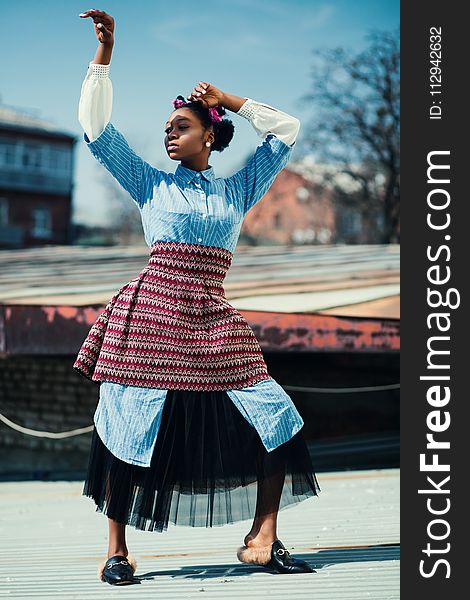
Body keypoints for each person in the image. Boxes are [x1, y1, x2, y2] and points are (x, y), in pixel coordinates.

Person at [74, 8, 320, 586]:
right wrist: (103, 58)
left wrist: (228, 99)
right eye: (167, 128)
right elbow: (95, 128)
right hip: (152, 315)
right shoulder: (148, 182)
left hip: (212, 315)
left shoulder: (239, 187)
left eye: (181, 126)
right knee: (125, 427)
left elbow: (287, 129)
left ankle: (263, 538)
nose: (169, 133)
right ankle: (117, 550)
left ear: (209, 136)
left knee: (276, 417)